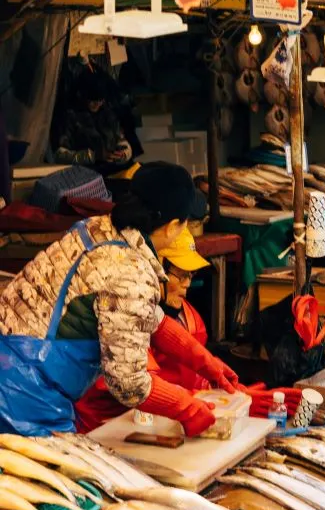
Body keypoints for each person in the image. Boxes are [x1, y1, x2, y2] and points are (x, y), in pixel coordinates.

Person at [0, 162, 240, 437]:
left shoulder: (97, 228)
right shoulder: (131, 269)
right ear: (174, 226)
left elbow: (137, 313)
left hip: (13, 370)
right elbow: (128, 382)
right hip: (24, 396)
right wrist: (187, 409)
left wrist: (205, 362)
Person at [75, 224, 298, 430]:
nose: (187, 284)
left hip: (164, 423)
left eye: (190, 275)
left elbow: (193, 374)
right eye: (180, 274)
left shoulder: (190, 318)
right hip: (105, 426)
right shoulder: (124, 311)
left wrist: (227, 391)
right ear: (156, 269)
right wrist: (197, 402)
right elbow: (140, 385)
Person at [55, 67, 133, 171]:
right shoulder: (71, 117)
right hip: (85, 173)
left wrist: (123, 154)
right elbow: (59, 155)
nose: (97, 104)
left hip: (112, 170)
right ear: (82, 96)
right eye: (93, 100)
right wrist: (93, 156)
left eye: (100, 100)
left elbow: (121, 140)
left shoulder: (107, 114)